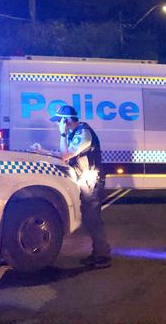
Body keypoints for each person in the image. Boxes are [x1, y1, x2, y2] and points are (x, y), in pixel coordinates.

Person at [50, 104, 111, 269]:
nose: (57, 124)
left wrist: (62, 133)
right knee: (89, 218)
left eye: (59, 121)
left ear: (67, 121)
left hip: (91, 181)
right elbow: (66, 154)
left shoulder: (84, 133)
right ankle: (98, 253)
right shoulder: (75, 133)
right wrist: (44, 151)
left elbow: (65, 155)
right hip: (85, 180)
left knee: (93, 218)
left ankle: (103, 255)